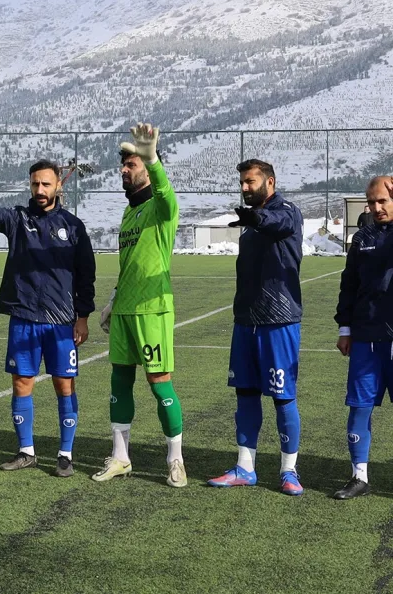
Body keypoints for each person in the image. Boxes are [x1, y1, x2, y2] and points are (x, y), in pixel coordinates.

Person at [0, 160, 95, 476]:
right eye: (35, 184)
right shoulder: (18, 219)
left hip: (62, 322)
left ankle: (65, 453)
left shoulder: (74, 226)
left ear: (58, 186)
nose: (40, 190)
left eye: (46, 184)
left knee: (64, 385)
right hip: (24, 317)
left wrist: (83, 317)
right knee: (22, 382)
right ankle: (26, 451)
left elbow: (85, 275)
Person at [93, 123, 187, 488]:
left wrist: (153, 160)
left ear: (147, 166)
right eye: (124, 165)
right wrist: (115, 299)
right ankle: (120, 457)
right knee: (120, 381)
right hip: (125, 311)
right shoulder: (128, 213)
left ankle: (175, 460)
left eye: (131, 165)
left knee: (159, 383)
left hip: (153, 311)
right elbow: (130, 263)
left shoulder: (160, 209)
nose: (123, 170)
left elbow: (167, 196)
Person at [206, 160, 304, 494]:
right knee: (245, 394)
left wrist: (257, 218)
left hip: (279, 321)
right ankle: (245, 467)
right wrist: (253, 220)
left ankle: (289, 471)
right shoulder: (250, 221)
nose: (245, 187)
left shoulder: (286, 210)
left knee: (282, 398)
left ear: (270, 182)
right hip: (246, 320)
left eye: (251, 182)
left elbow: (279, 223)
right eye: (242, 183)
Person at [333, 175, 393, 500]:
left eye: (383, 201)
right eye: (371, 202)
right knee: (359, 407)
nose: (376, 207)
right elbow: (349, 284)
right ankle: (359, 476)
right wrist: (345, 328)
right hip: (366, 339)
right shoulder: (363, 236)